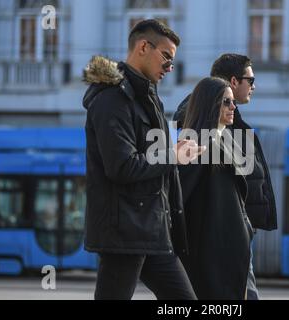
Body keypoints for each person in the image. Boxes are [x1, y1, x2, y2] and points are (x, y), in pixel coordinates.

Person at [82, 19, 204, 300]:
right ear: (142, 47)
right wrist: (174, 155)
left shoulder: (147, 97)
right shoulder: (112, 99)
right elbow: (122, 166)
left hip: (151, 229)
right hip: (124, 232)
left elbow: (151, 156)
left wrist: (175, 149)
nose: (170, 67)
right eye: (166, 57)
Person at [174, 54, 278, 300]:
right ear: (233, 80)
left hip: (234, 232)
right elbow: (183, 190)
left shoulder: (230, 123)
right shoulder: (198, 127)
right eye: (250, 80)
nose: (254, 86)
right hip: (215, 236)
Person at [177, 77, 253, 299]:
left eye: (233, 101)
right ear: (210, 104)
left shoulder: (228, 140)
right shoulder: (196, 143)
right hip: (209, 254)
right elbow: (181, 196)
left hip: (231, 252)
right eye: (226, 102)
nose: (233, 107)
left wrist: (246, 229)